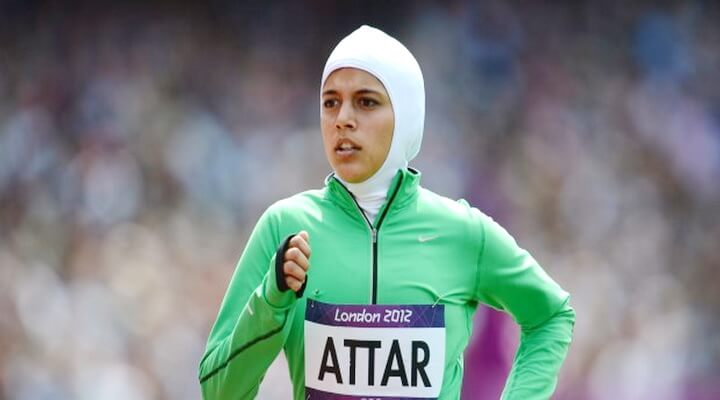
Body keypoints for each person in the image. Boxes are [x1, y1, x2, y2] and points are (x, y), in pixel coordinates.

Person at [198, 25, 575, 400]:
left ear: (407, 114)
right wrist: (271, 300)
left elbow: (551, 317)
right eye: (330, 102)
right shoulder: (284, 228)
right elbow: (219, 392)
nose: (342, 118)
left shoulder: (463, 232)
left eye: (366, 101)